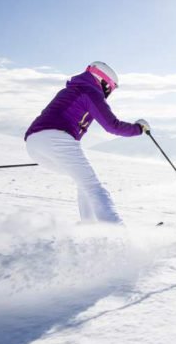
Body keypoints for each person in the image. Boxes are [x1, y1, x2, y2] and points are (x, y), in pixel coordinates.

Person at [24, 61, 150, 224]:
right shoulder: (91, 91)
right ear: (105, 82)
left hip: (34, 143)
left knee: (83, 182)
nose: (109, 92)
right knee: (93, 187)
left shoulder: (71, 90)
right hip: (56, 140)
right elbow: (112, 126)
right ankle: (116, 234)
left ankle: (89, 226)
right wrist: (139, 129)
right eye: (111, 88)